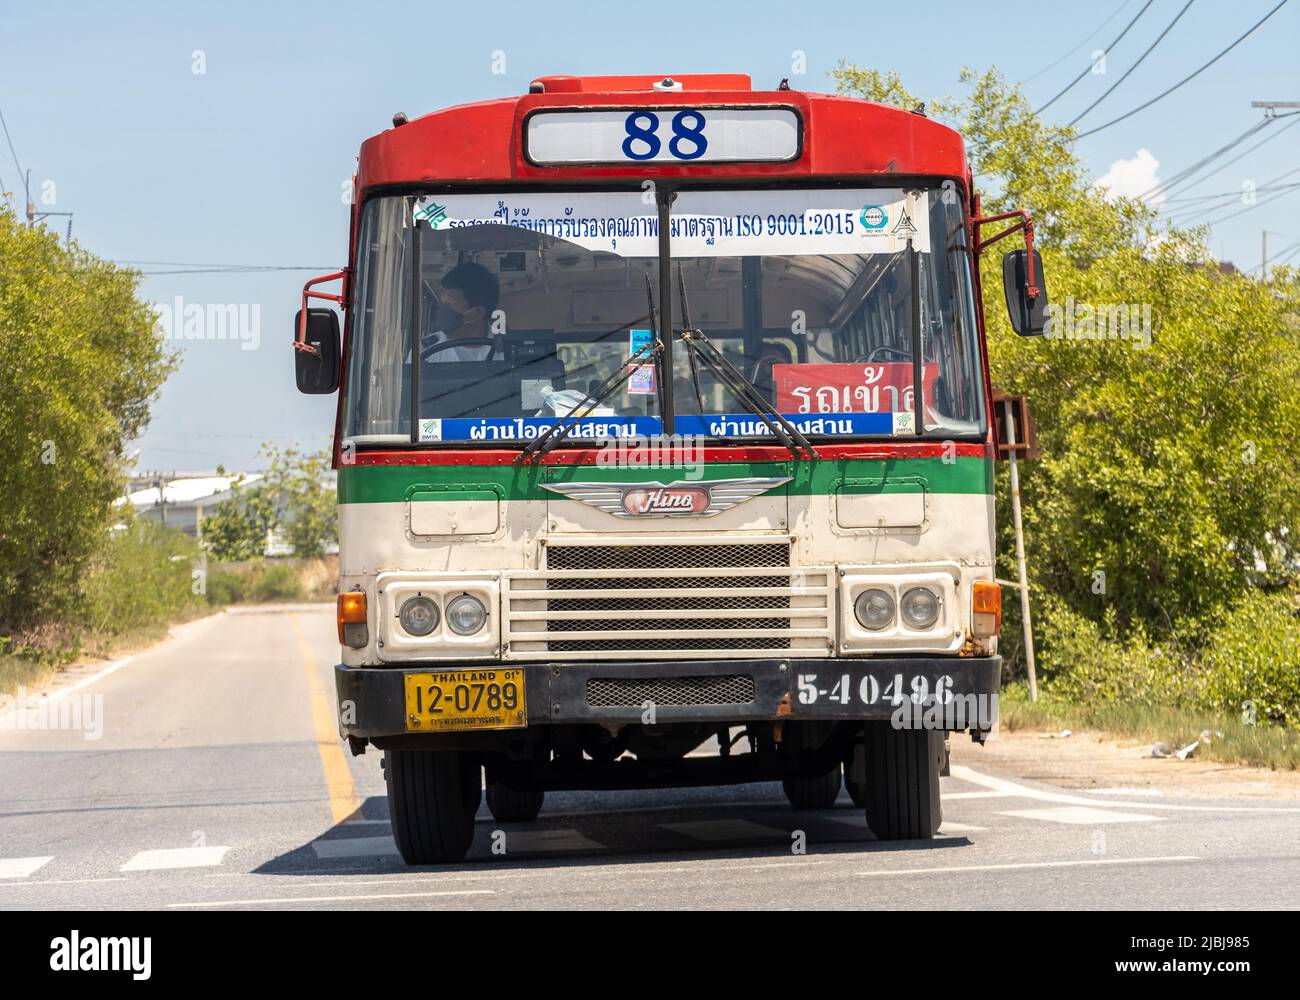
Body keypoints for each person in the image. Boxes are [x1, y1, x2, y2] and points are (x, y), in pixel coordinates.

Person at [421, 261, 500, 362]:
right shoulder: (424, 351)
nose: (443, 312)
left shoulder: (507, 352)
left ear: (478, 313)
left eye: (451, 305)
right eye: (442, 304)